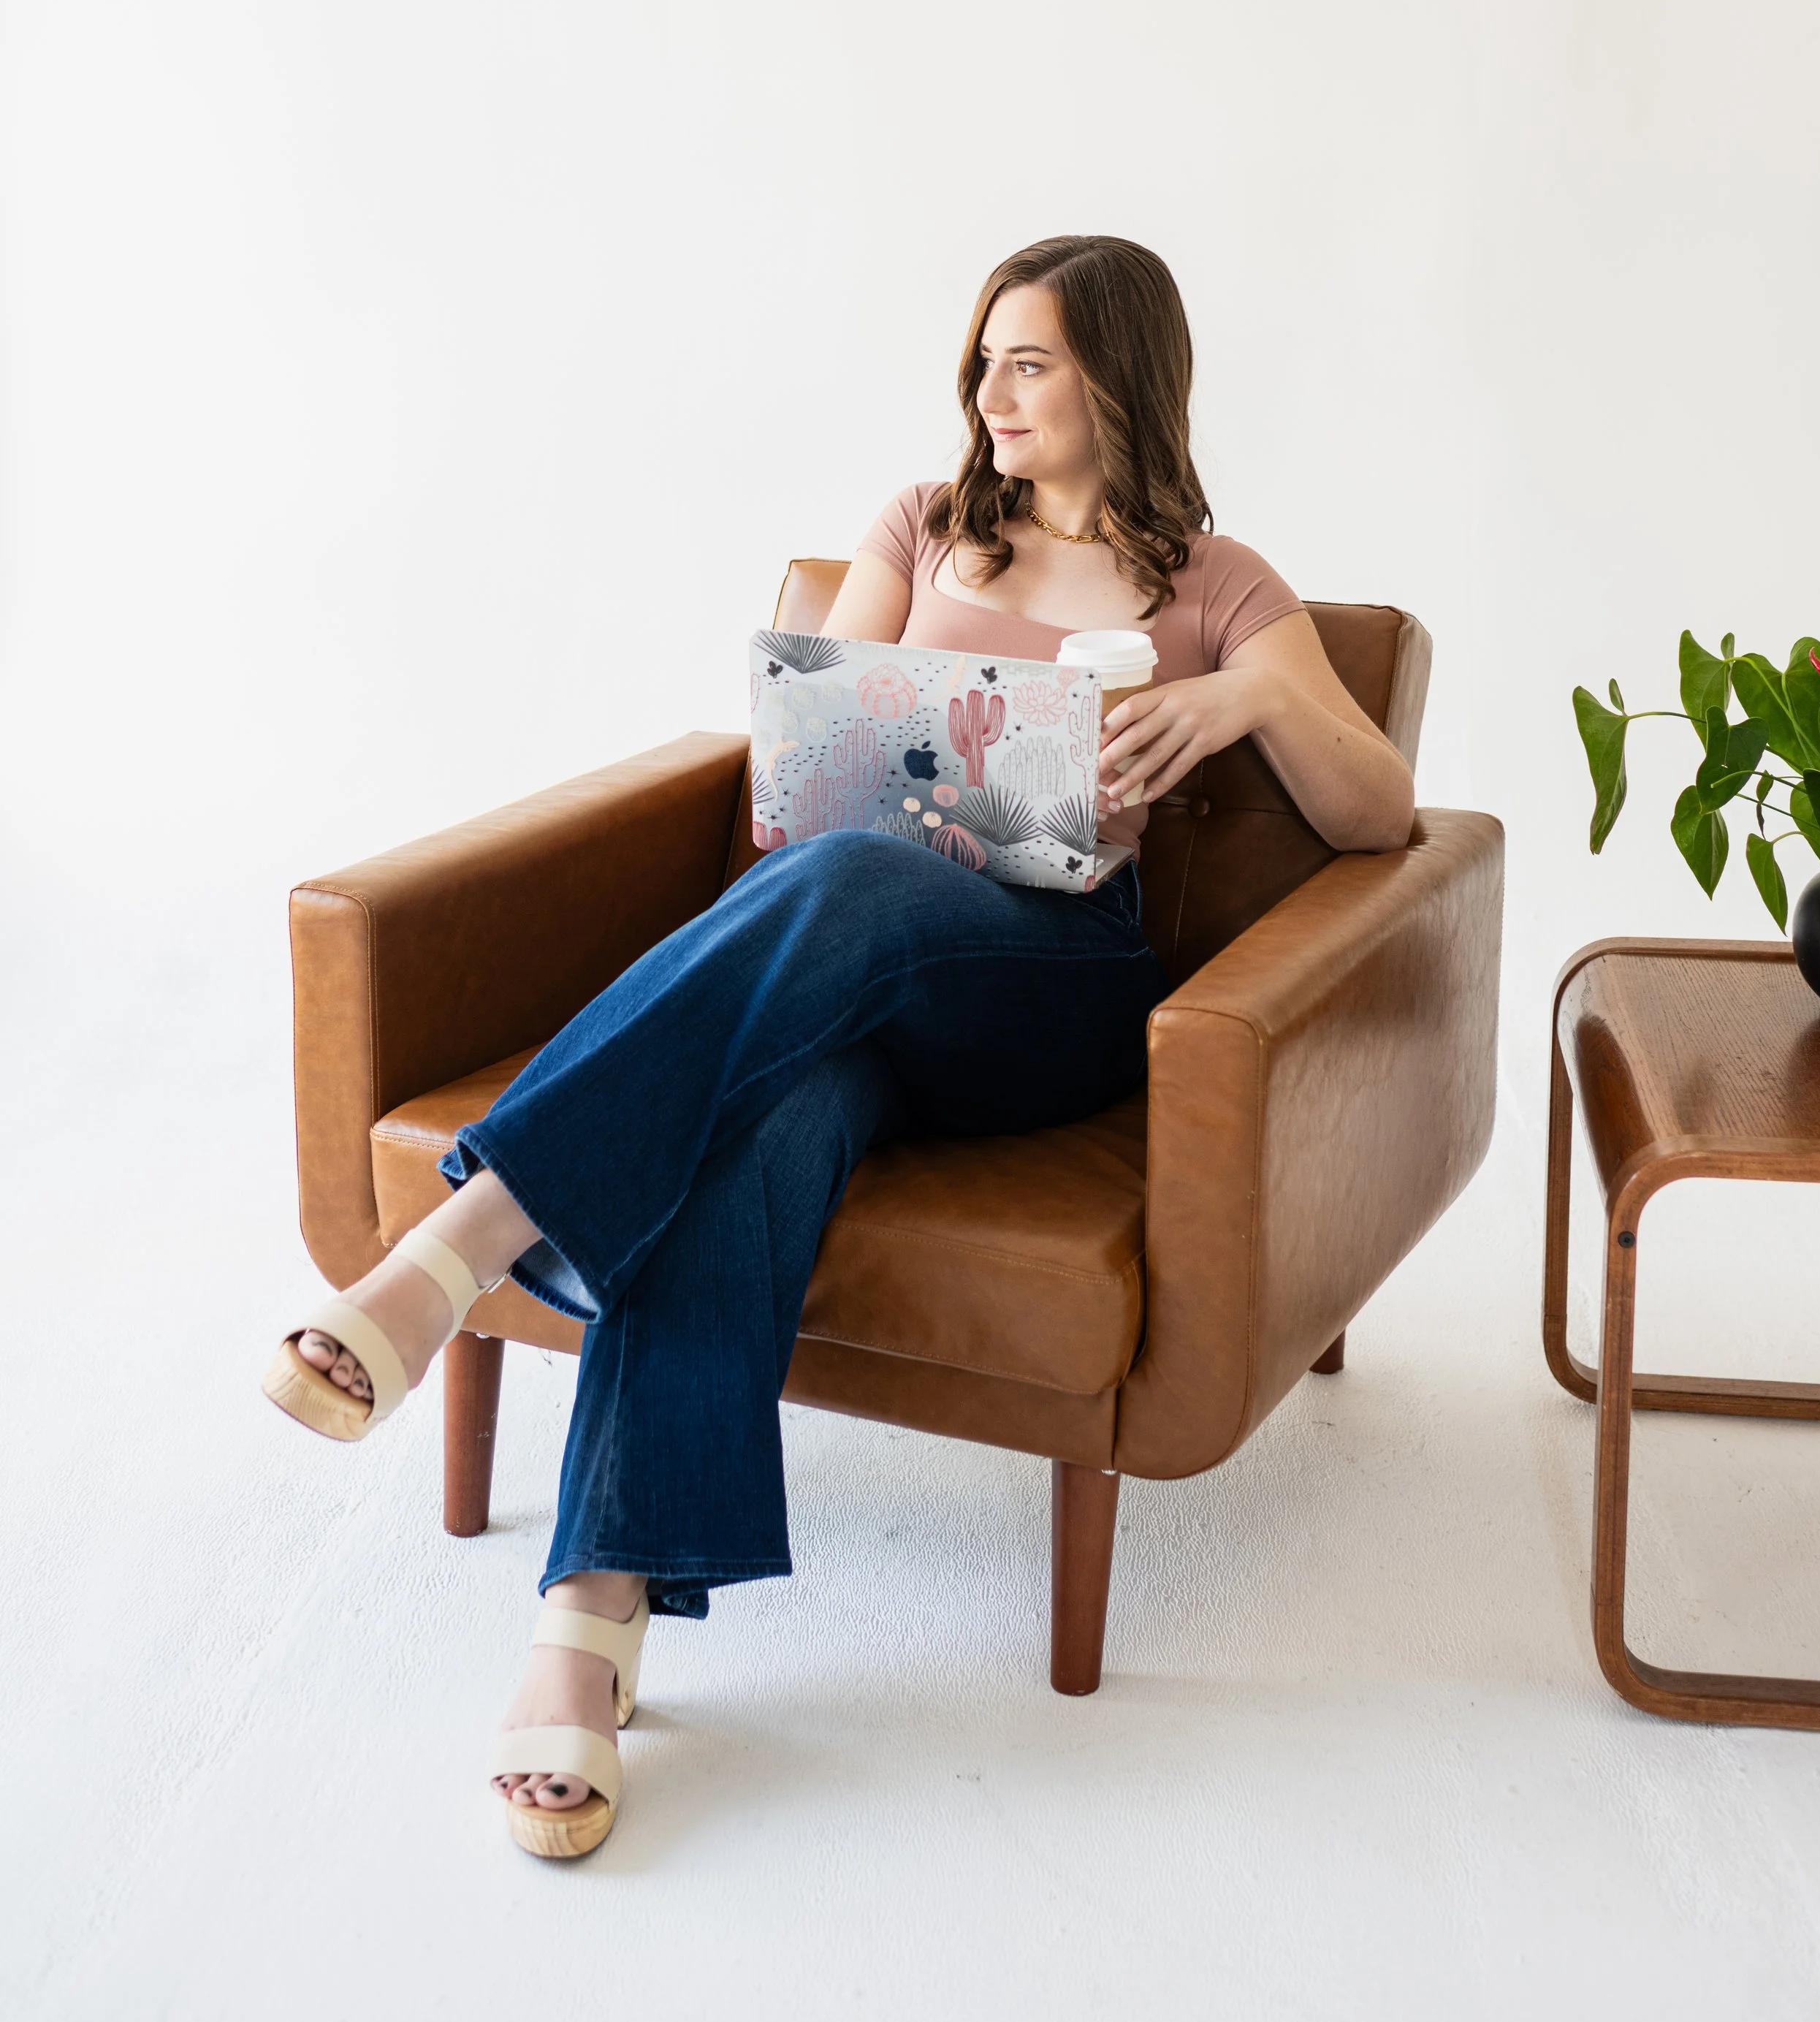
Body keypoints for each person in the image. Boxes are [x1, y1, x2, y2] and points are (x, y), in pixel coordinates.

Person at [262, 234, 1415, 1858]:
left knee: (856, 881)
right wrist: (919, 750)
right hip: (848, 955)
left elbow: (1378, 808)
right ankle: (583, 1635)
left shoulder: (1217, 586)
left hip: (1049, 986)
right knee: (764, 1096)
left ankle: (465, 1234)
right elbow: (796, 762)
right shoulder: (926, 527)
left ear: (1120, 379)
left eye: (1031, 362)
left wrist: (1234, 704)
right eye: (983, 359)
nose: (990, 392)